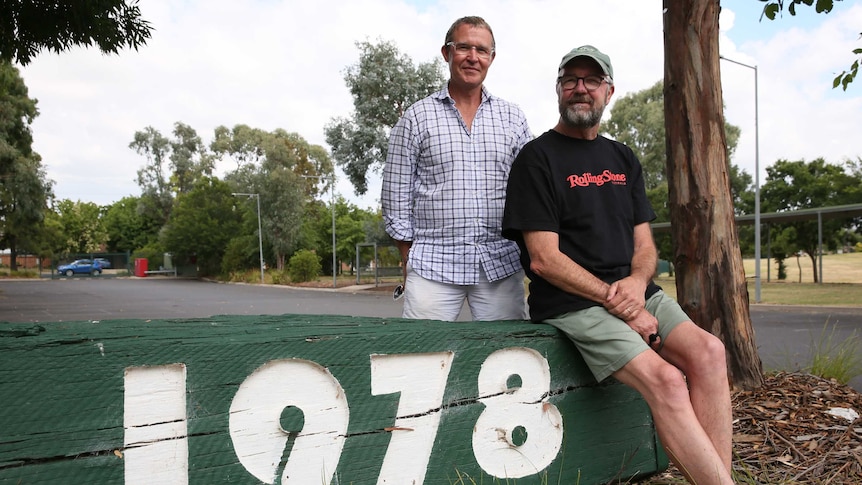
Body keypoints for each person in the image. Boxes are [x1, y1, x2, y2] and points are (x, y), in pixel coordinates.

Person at [501, 45, 733, 484]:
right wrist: (620, 302)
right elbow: (545, 260)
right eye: (571, 80)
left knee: (710, 352)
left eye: (591, 81)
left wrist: (636, 284)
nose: (580, 89)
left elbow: (644, 245)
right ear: (558, 90)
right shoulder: (537, 158)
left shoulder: (621, 157)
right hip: (575, 304)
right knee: (666, 380)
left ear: (609, 91)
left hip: (632, 289)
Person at [381, 16, 532, 321]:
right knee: (422, 360)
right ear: (446, 52)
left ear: (492, 57)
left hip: (499, 264)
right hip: (432, 267)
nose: (473, 57)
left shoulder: (513, 118)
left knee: (506, 357)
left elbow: (531, 191)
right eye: (463, 47)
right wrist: (410, 258)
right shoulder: (416, 118)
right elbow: (395, 194)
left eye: (481, 50)